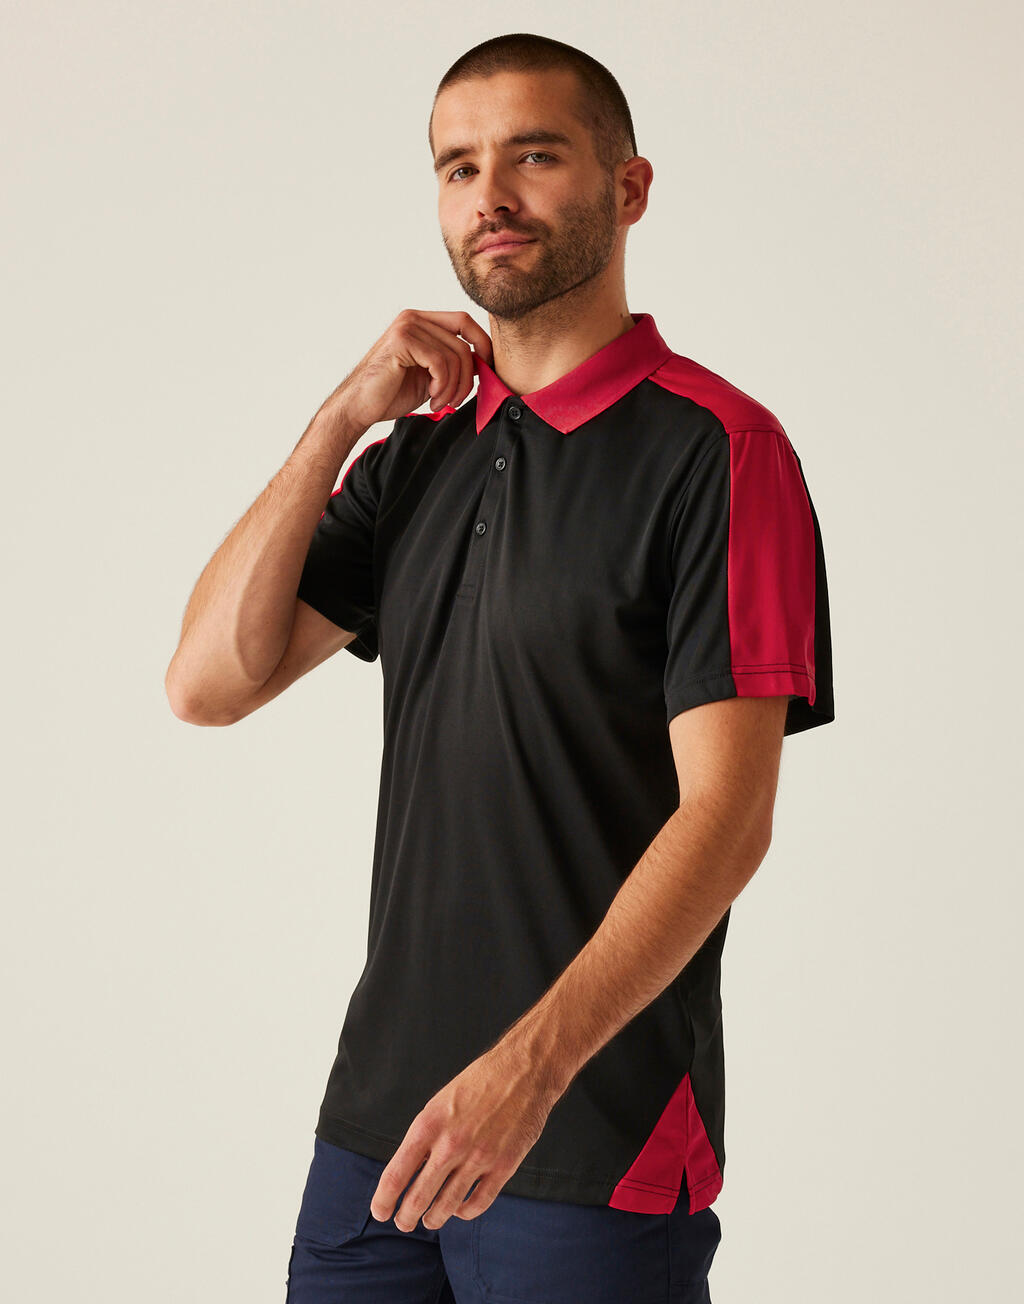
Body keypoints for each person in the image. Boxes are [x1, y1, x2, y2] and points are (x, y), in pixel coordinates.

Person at [165, 31, 835, 1304]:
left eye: (534, 156)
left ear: (628, 188)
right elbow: (208, 681)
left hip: (588, 1141)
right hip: (377, 1134)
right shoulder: (414, 457)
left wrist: (527, 1073)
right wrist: (341, 417)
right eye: (458, 166)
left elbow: (727, 818)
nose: (491, 196)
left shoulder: (717, 450)